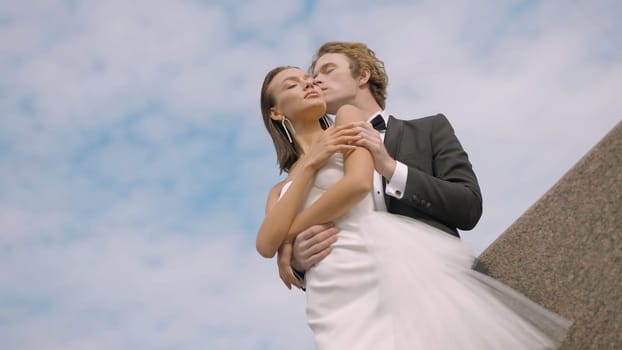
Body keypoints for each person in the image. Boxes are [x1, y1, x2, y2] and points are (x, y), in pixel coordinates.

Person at [256, 65, 570, 349]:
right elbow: (264, 245)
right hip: (328, 295)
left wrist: (287, 236)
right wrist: (310, 164)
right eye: (292, 85)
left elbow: (357, 186)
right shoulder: (278, 191)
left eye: (309, 79)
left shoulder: (347, 120)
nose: (309, 84)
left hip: (374, 264)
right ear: (276, 113)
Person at [290, 42, 483, 277]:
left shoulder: (430, 129)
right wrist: (298, 261)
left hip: (440, 279)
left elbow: (469, 207)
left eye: (328, 70)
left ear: (362, 75)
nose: (316, 81)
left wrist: (391, 167)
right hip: (358, 293)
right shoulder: (321, 162)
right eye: (314, 75)